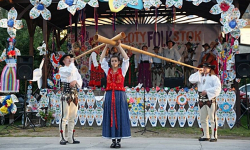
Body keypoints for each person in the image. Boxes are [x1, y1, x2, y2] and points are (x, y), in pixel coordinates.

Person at [100, 40, 131, 148]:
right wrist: (106, 46)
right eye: (112, 61)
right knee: (110, 115)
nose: (114, 62)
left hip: (119, 96)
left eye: (115, 61)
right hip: (109, 95)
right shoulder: (107, 70)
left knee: (119, 115)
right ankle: (113, 140)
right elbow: (101, 60)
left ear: (118, 62)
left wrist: (120, 46)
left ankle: (118, 140)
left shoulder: (122, 70)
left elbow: (126, 58)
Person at [189, 63, 221, 142]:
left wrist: (207, 91)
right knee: (203, 118)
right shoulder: (200, 77)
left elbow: (218, 88)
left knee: (212, 118)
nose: (205, 69)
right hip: (201, 100)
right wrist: (198, 72)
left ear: (210, 69)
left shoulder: (214, 78)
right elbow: (191, 79)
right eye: (204, 67)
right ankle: (205, 135)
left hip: (210, 99)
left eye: (207, 68)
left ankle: (214, 136)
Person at [58, 54, 83, 145]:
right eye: (67, 59)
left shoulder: (75, 69)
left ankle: (70, 138)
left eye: (70, 58)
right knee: (65, 117)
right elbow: (69, 72)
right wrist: (72, 63)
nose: (69, 60)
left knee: (72, 117)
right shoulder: (62, 69)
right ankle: (62, 137)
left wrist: (76, 81)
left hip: (74, 94)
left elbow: (79, 79)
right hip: (66, 94)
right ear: (63, 61)